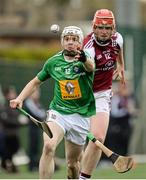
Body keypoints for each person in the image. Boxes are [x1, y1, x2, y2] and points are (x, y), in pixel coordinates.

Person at [10, 26, 96, 179]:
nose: (70, 42)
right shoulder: (53, 62)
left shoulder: (86, 57)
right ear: (62, 41)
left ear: (80, 43)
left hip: (80, 116)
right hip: (59, 112)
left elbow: (91, 67)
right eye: (67, 39)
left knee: (72, 164)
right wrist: (20, 98)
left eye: (74, 39)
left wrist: (83, 59)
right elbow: (36, 82)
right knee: (49, 146)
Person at [79, 9, 125, 179]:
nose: (104, 32)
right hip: (83, 97)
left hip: (102, 94)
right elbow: (88, 67)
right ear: (94, 27)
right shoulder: (88, 47)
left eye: (108, 28)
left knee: (98, 138)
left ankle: (83, 178)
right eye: (100, 27)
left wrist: (120, 65)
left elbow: (119, 50)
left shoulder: (118, 38)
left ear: (113, 28)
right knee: (75, 156)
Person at [23, 89, 46, 171]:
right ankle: (31, 166)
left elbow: (42, 112)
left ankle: (35, 164)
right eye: (36, 93)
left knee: (36, 146)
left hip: (37, 128)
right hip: (32, 128)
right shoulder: (28, 102)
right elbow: (38, 113)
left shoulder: (37, 103)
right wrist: (44, 114)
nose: (37, 95)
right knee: (32, 146)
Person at [0, 86, 20, 173]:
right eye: (12, 93)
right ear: (7, 95)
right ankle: (7, 165)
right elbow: (6, 120)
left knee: (15, 148)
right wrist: (18, 122)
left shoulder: (15, 107)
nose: (14, 94)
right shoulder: (4, 107)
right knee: (6, 151)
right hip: (5, 134)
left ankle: (6, 164)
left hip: (13, 134)